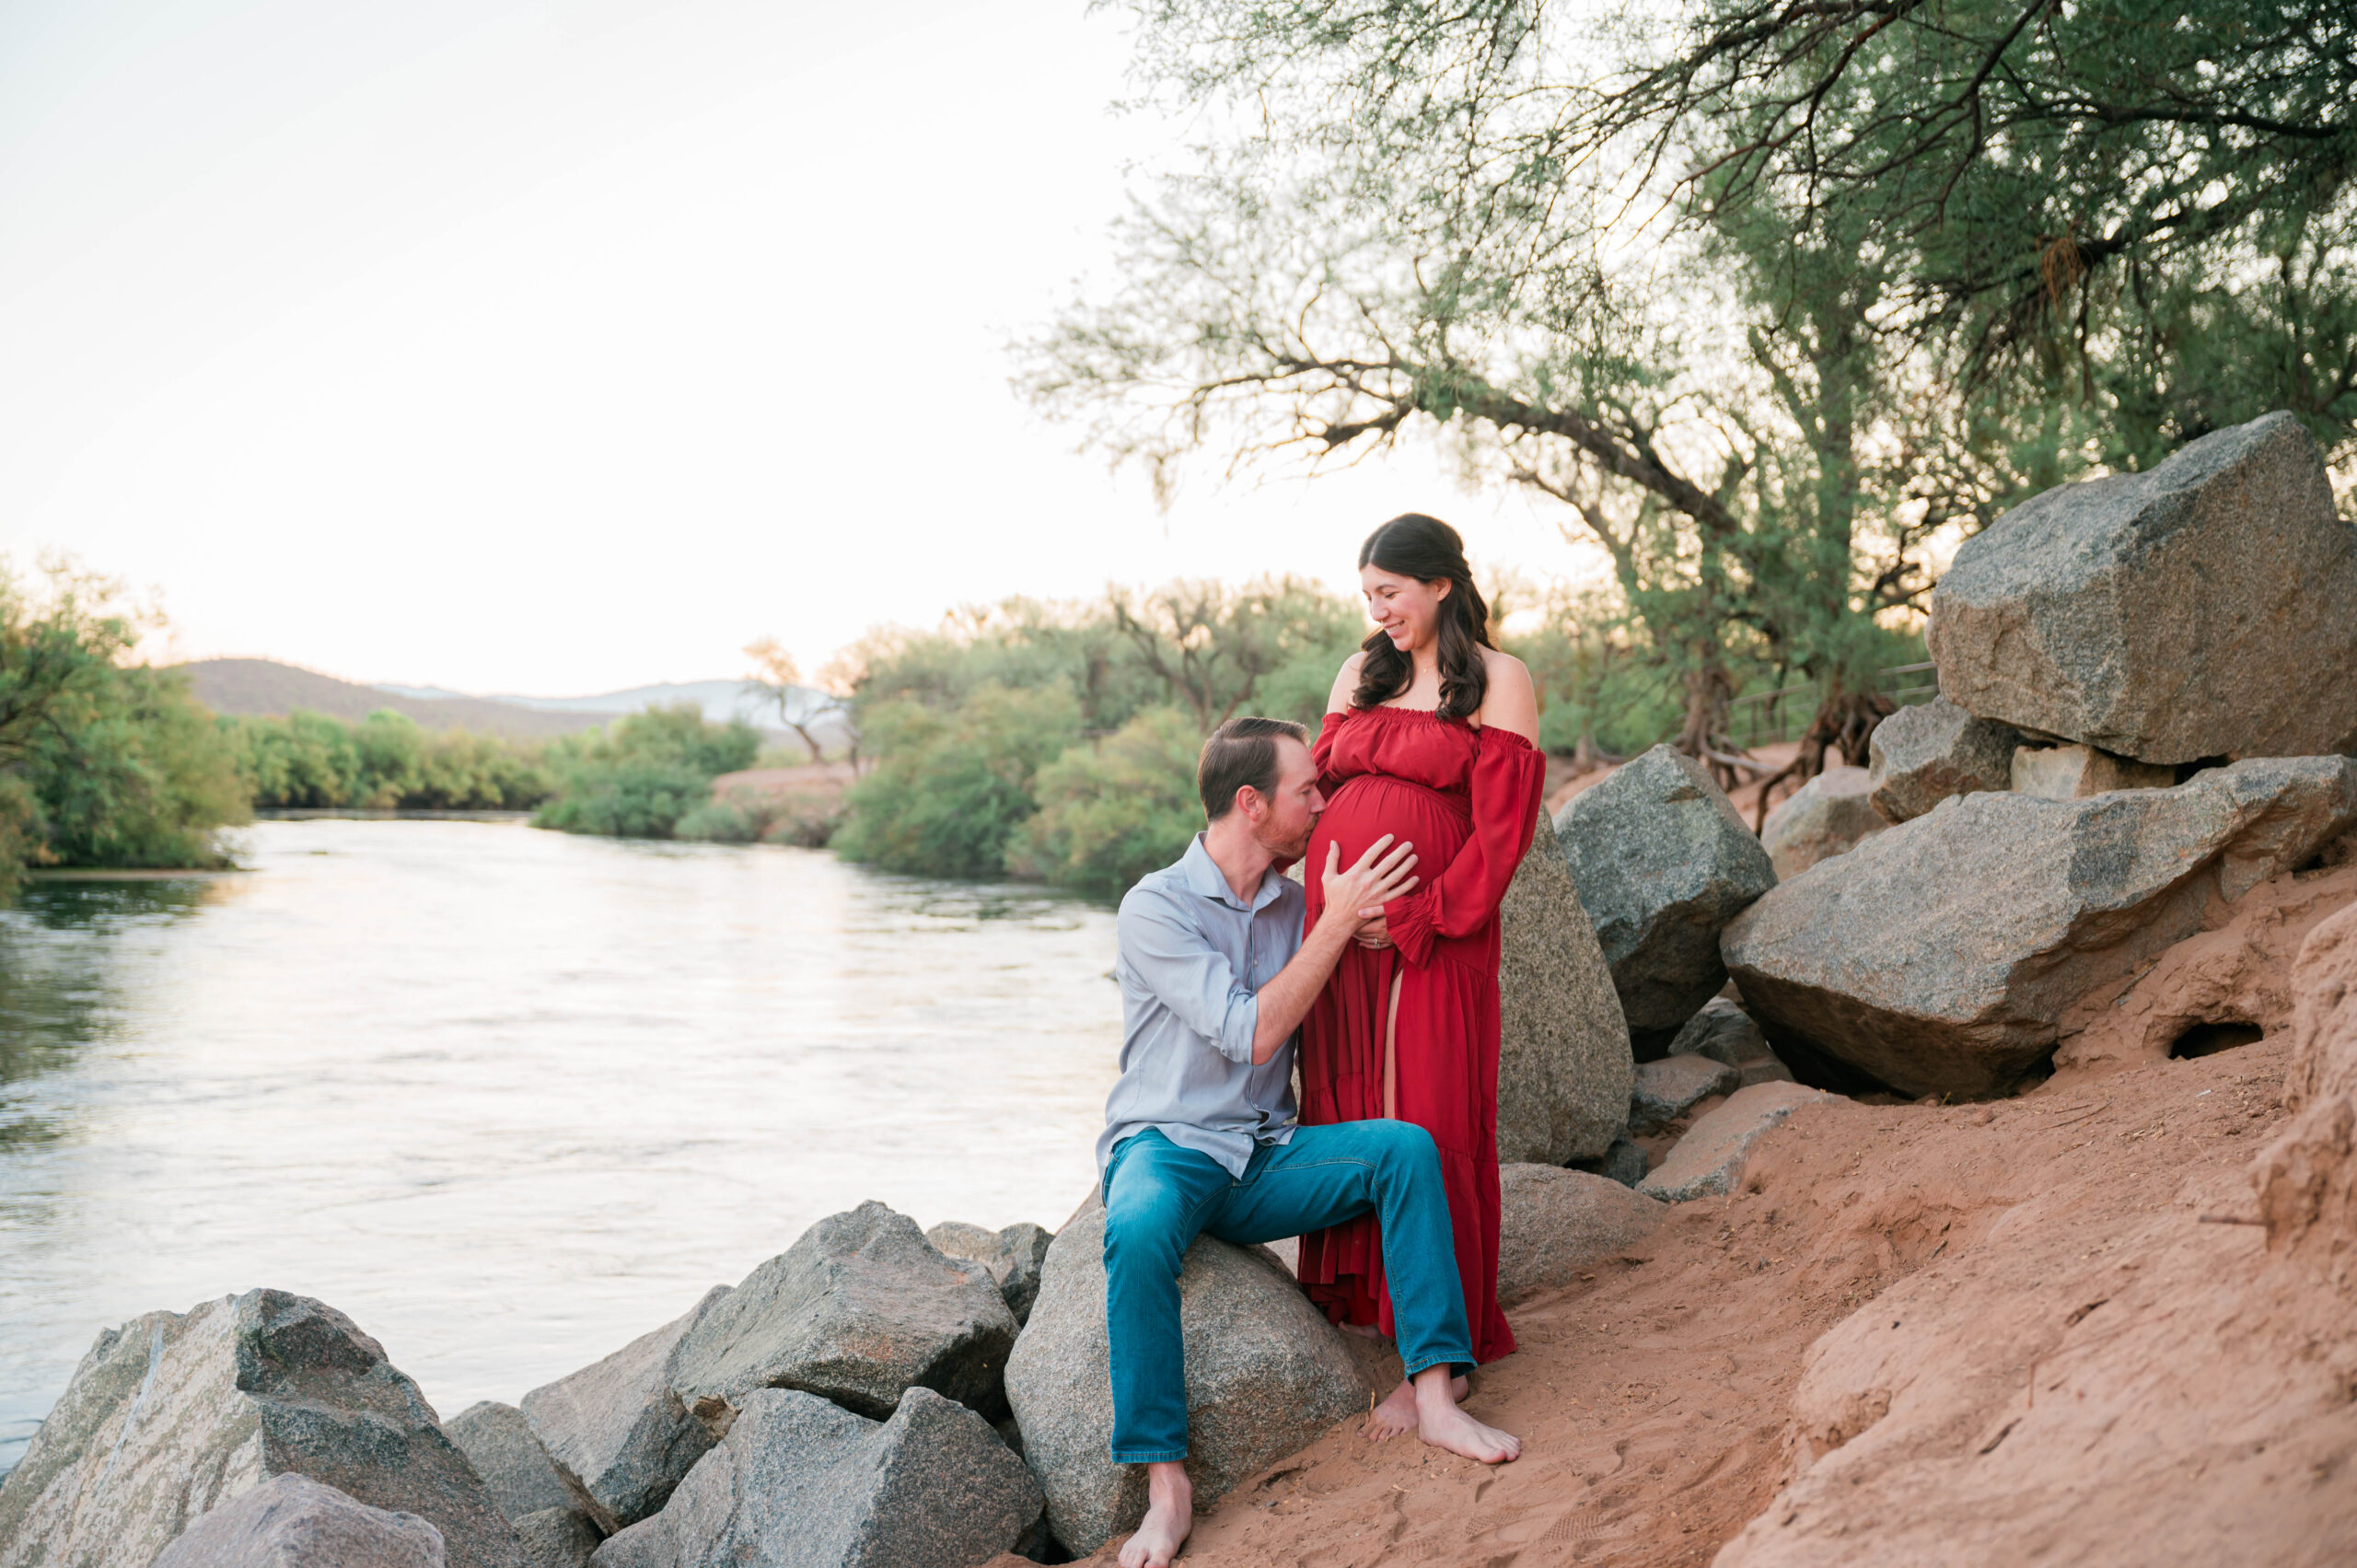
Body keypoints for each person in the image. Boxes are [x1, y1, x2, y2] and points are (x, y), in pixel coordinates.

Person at [1100, 714, 1522, 1568]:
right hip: (1169, 1146)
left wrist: (1404, 917)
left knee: (1403, 1150)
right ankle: (1166, 1485)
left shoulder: (1298, 902)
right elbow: (1250, 1034)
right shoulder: (1156, 906)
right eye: (1309, 791)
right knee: (1137, 1228)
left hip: (1265, 1157)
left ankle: (1435, 1390)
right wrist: (1340, 916)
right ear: (1251, 804)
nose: (1324, 803)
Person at [1295, 514, 1546, 1441]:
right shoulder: (1361, 673)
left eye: (1389, 592)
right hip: (1340, 934)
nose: (1377, 611)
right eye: (1368, 595)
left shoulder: (1501, 679)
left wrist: (1411, 916)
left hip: (1436, 934)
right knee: (1353, 1111)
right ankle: (1374, 1309)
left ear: (1439, 583)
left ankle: (1438, 1354)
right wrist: (1328, 905)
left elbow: (1500, 832)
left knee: (1428, 1118)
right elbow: (1318, 791)